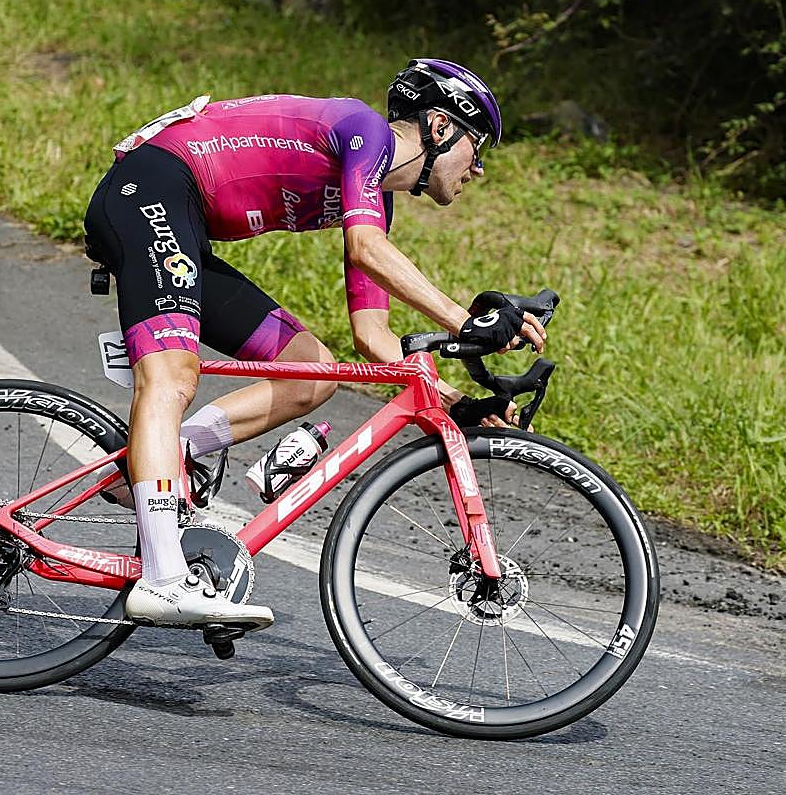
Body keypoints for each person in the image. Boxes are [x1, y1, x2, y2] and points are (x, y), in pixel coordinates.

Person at [83, 58, 547, 631]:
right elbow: (365, 251)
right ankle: (163, 578)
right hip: (151, 189)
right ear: (440, 127)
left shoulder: (378, 194)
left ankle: (158, 458)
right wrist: (463, 321)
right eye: (478, 149)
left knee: (313, 372)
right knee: (173, 376)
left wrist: (458, 405)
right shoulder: (366, 132)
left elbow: (372, 339)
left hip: (182, 220)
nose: (477, 170)